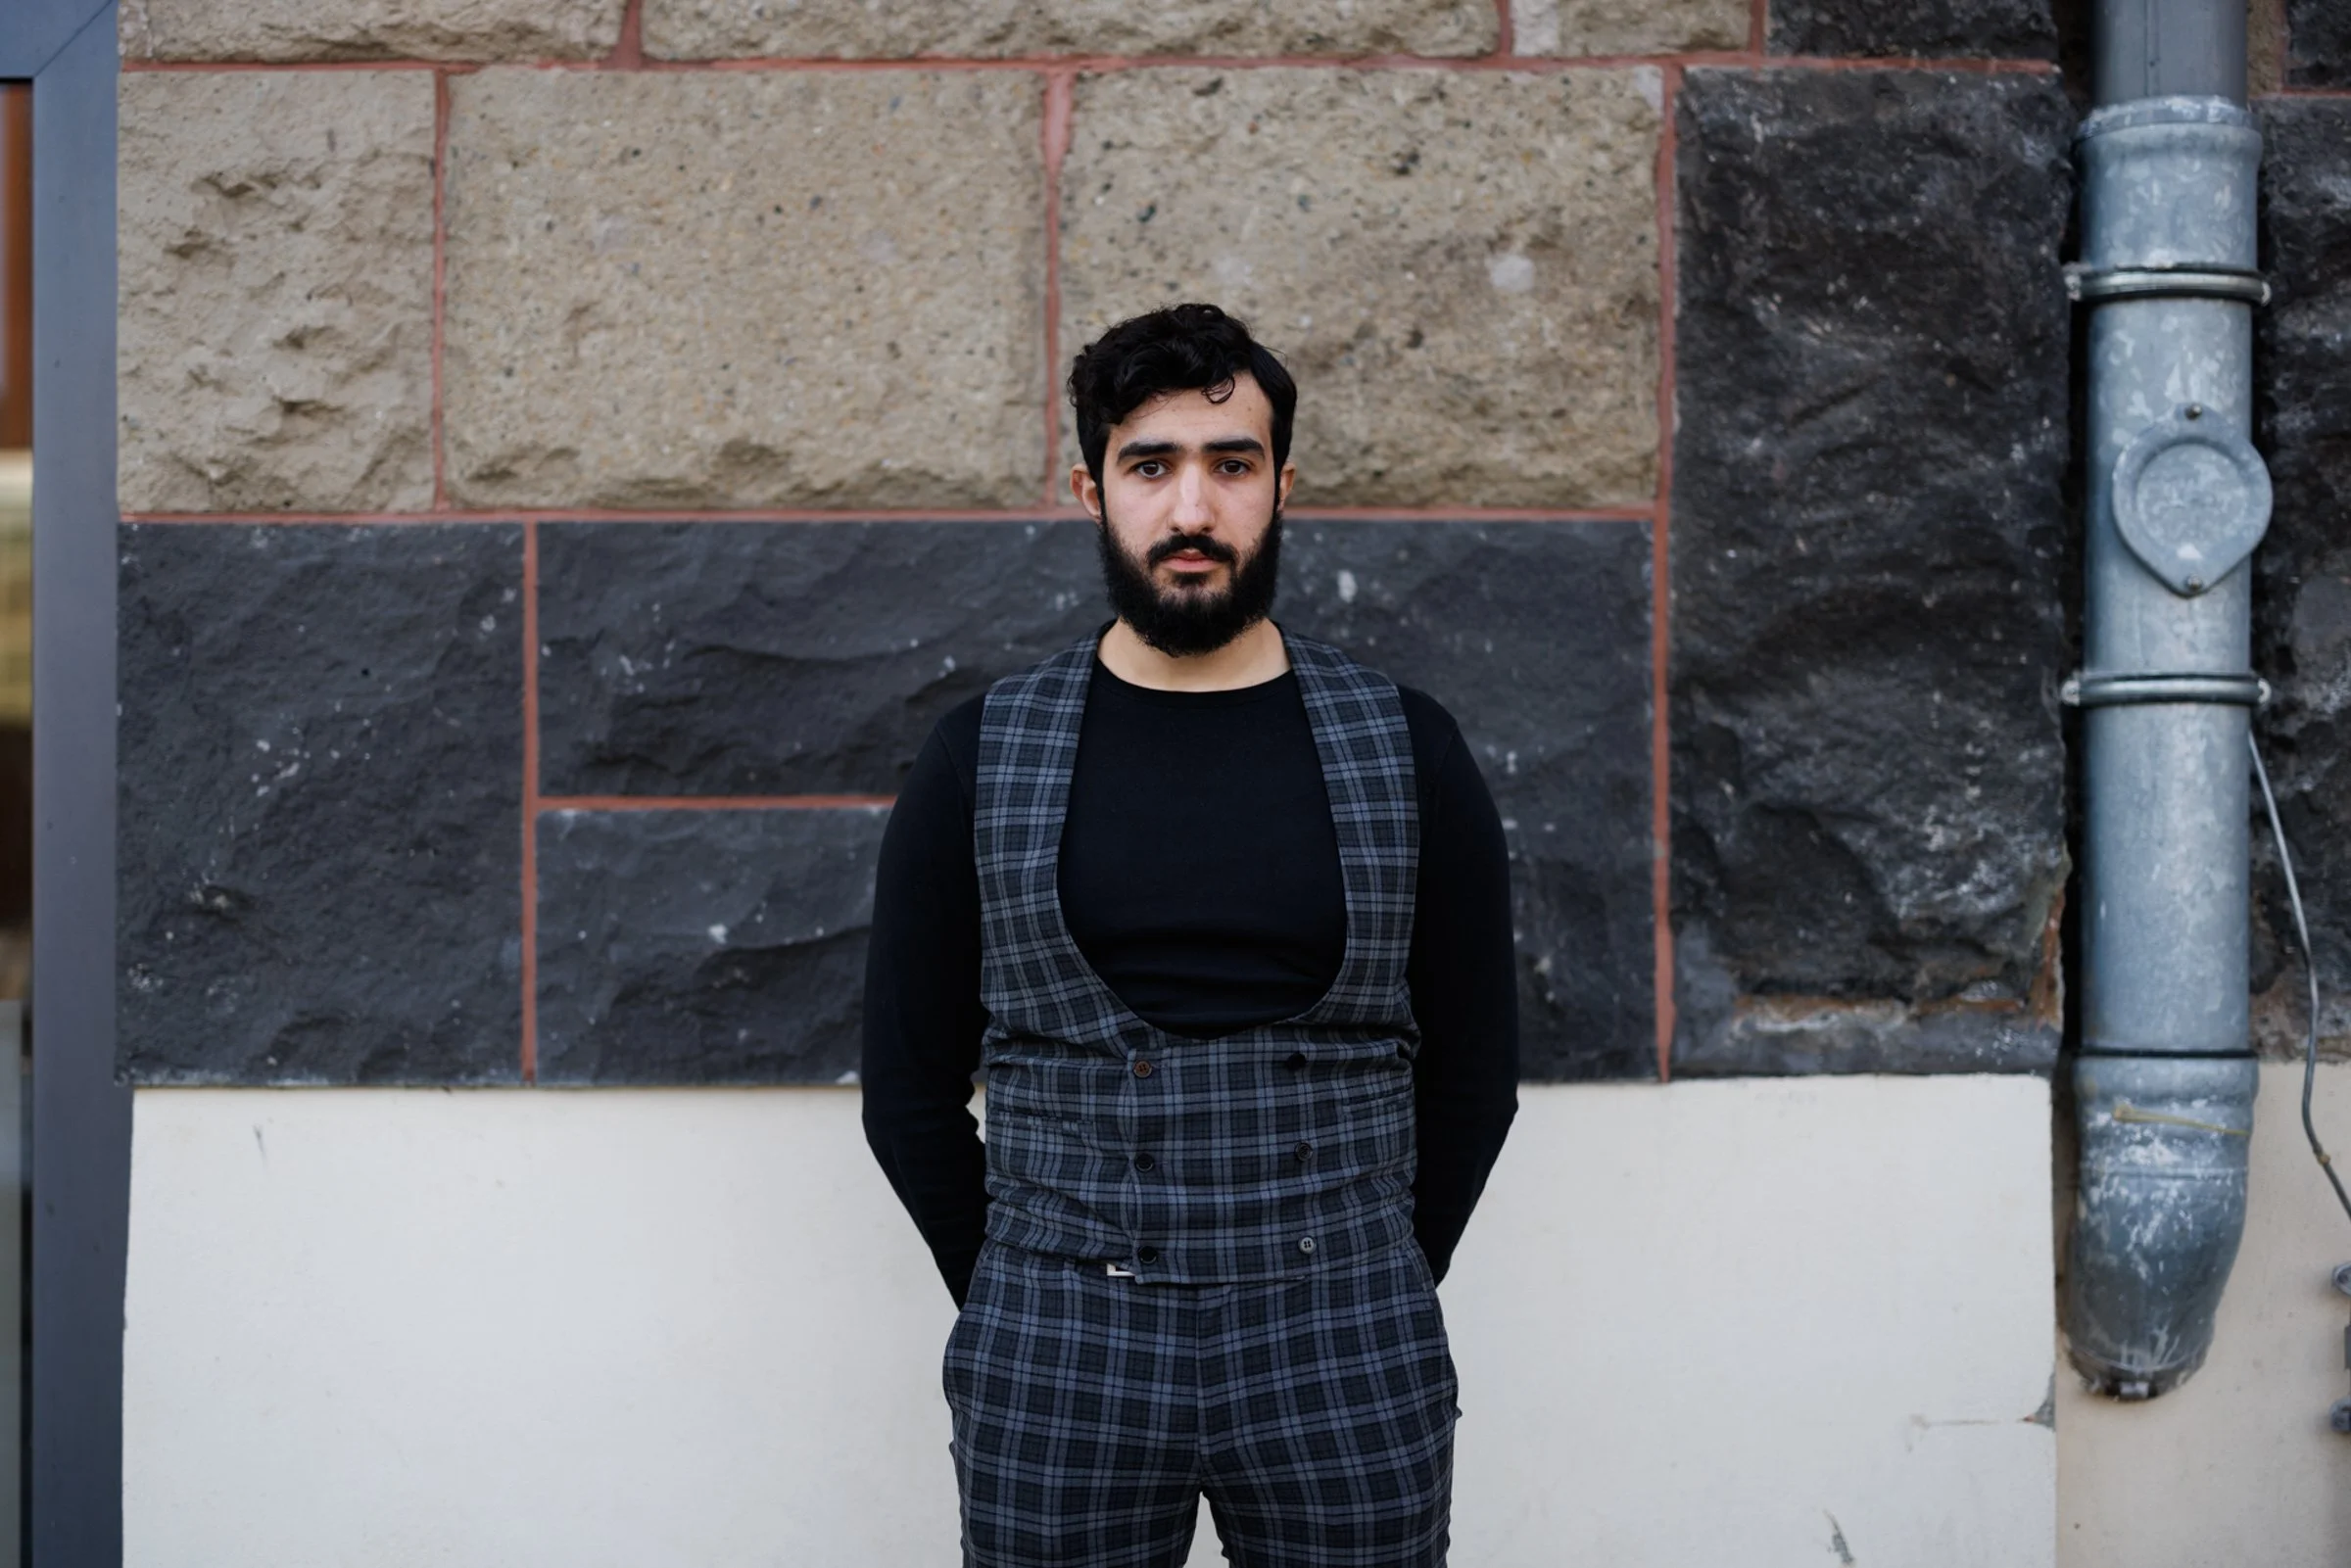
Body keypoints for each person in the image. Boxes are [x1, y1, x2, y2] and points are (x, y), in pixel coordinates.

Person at [861, 302, 1519, 1567]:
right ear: (1091, 487)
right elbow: (907, 1092)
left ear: (1283, 484)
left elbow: (1477, 1078)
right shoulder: (979, 757)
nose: (1192, 511)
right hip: (1057, 1348)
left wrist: (1371, 1284)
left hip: (1345, 1342)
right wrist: (1020, 1294)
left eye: (1231, 464)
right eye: (1149, 465)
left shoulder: (1410, 746)